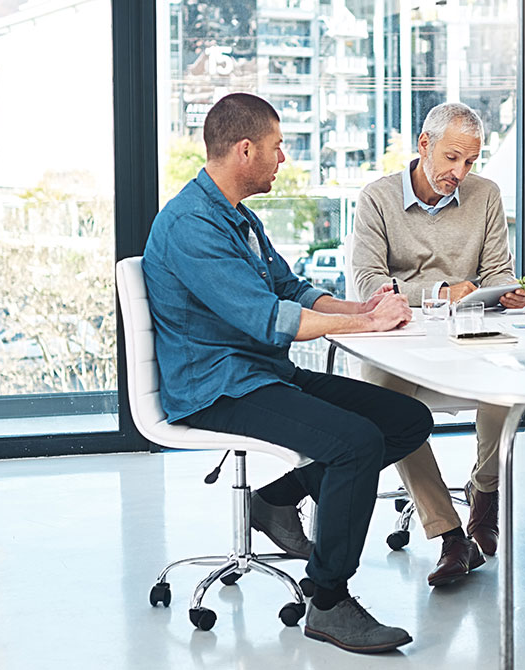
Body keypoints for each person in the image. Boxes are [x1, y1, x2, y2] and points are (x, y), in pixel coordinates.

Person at [143, 92, 433, 654]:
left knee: (405, 419)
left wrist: (363, 308)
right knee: (353, 444)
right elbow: (268, 317)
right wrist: (367, 329)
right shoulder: (190, 225)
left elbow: (290, 289)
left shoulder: (237, 217)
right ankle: (327, 601)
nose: (283, 160)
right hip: (217, 386)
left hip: (261, 372)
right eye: (277, 149)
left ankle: (277, 498)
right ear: (245, 149)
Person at [353, 102, 525, 586]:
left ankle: (485, 492)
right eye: (452, 158)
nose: (460, 172)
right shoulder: (377, 198)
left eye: (470, 162)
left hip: (466, 331)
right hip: (401, 335)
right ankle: (451, 535)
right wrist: (436, 294)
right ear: (424, 144)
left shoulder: (485, 195)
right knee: (384, 408)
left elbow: (495, 270)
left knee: (508, 385)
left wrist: (506, 289)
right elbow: (367, 283)